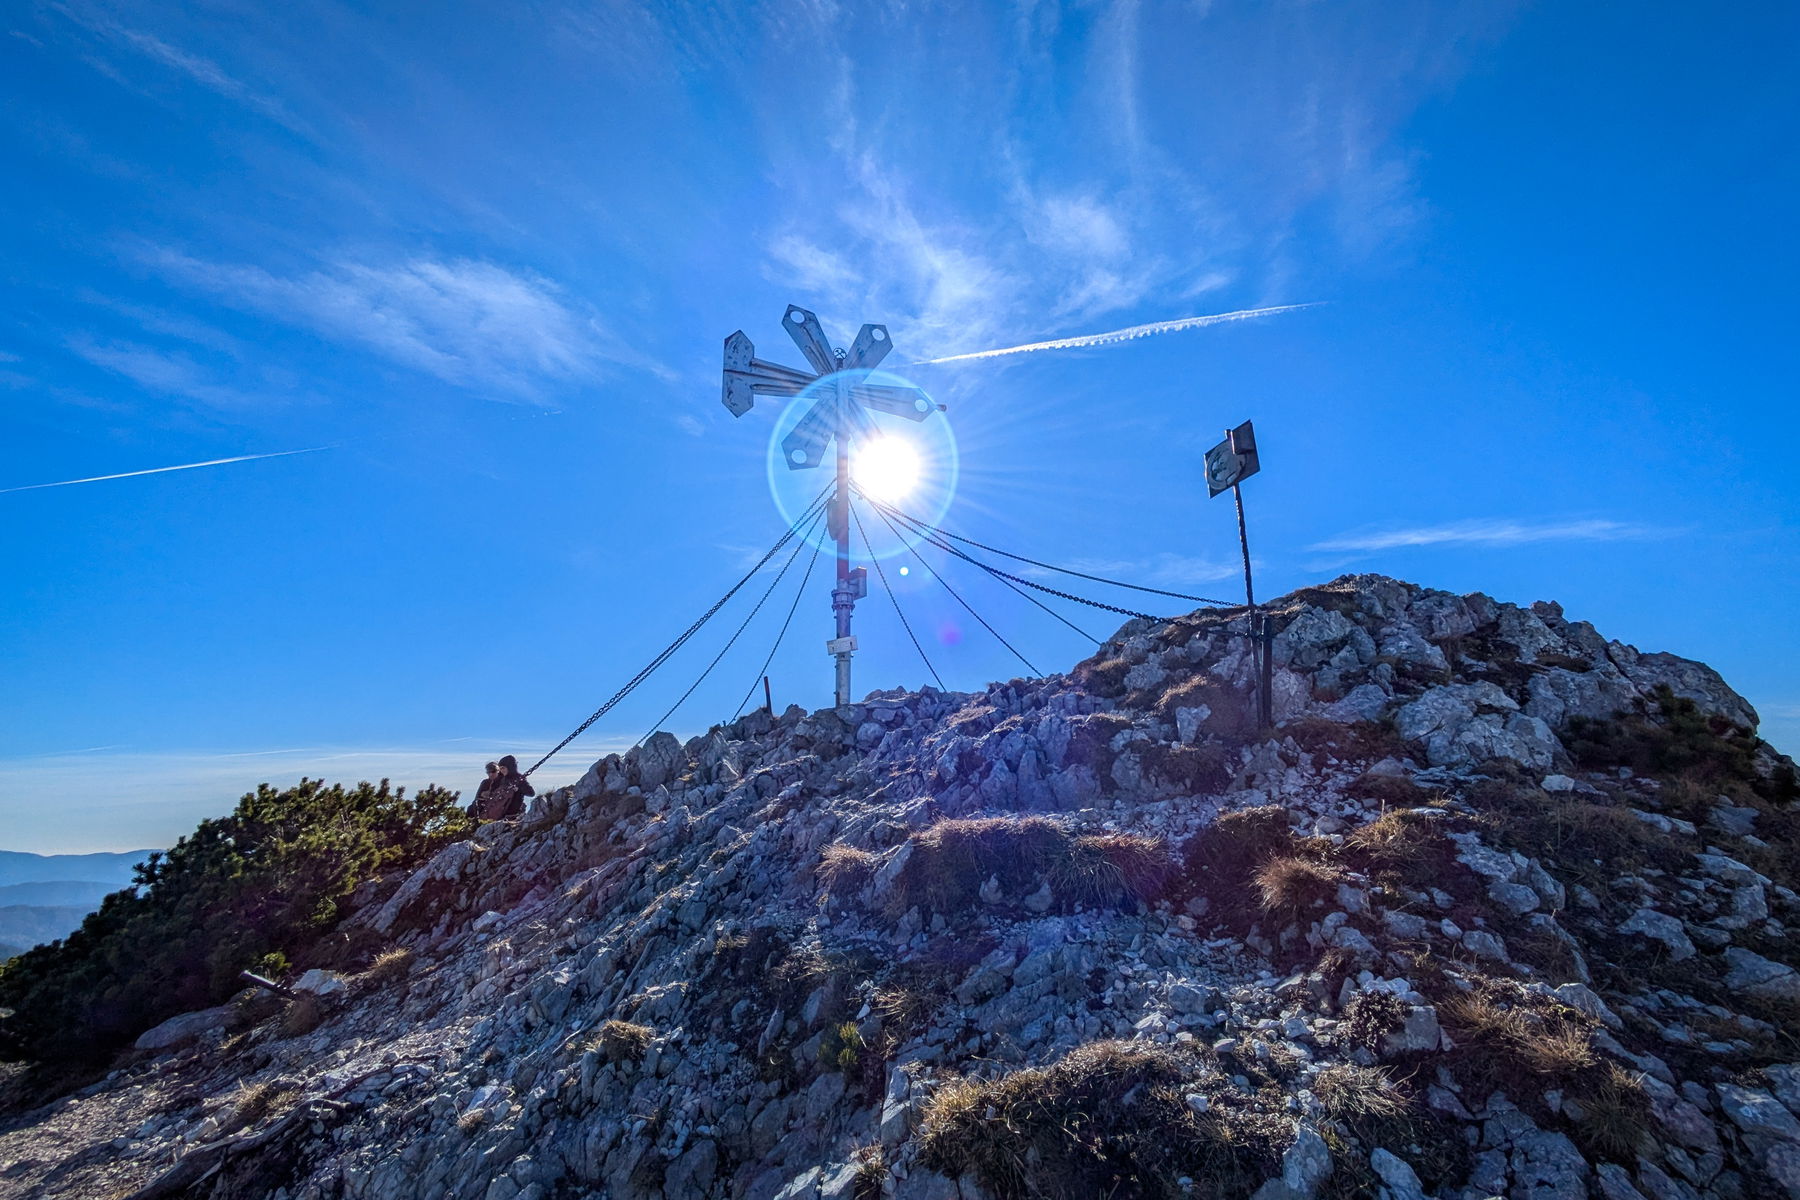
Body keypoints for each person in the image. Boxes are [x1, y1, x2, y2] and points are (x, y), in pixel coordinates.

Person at [478, 754, 534, 821]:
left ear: (510, 767)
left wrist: (518, 789)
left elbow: (531, 793)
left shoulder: (519, 778)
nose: (501, 770)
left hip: (512, 813)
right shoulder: (503, 779)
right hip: (500, 813)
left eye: (503, 768)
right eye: (500, 768)